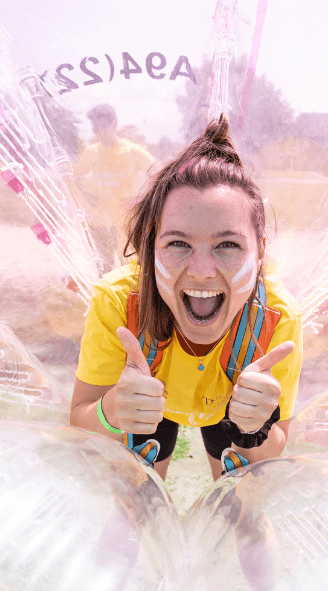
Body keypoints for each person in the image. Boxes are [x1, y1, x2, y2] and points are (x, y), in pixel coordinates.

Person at [70, 114, 303, 481]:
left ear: (259, 253)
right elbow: (81, 423)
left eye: (227, 245)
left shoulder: (277, 318)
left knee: (243, 512)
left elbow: (273, 446)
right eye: (178, 243)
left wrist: (255, 427)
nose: (201, 270)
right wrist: (111, 410)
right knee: (131, 510)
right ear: (150, 249)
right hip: (143, 405)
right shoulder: (117, 303)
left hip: (229, 412)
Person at [73, 103, 155, 270]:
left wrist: (140, 199)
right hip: (98, 221)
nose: (97, 130)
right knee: (104, 268)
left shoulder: (132, 150)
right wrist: (86, 198)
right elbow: (75, 177)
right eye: (94, 125)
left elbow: (159, 174)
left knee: (130, 268)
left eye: (101, 124)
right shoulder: (91, 152)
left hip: (125, 222)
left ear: (114, 123)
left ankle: (130, 297)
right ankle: (106, 296)